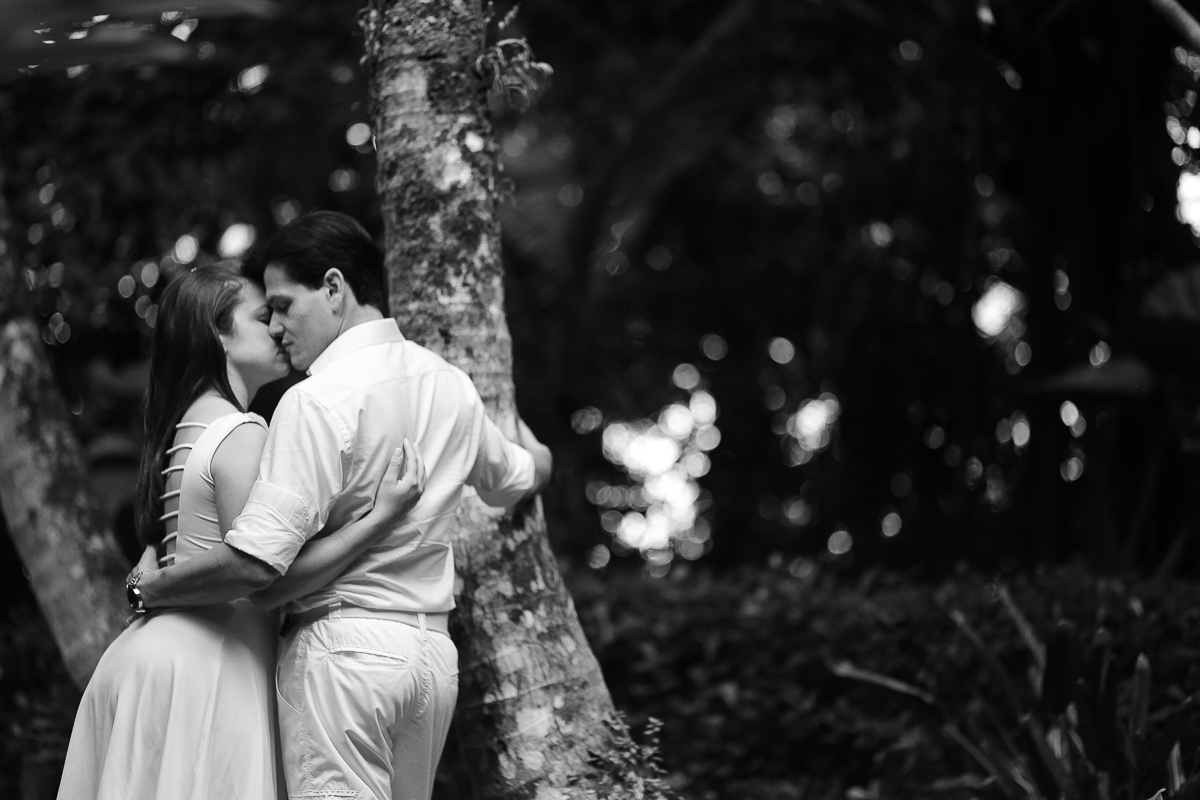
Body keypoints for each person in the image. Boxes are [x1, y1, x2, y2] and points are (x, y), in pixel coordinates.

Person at [134, 210, 553, 800]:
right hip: (432, 660)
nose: (277, 326)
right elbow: (513, 477)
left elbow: (261, 571)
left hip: (344, 655)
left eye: (282, 305)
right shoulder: (451, 385)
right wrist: (542, 457)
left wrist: (151, 588)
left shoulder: (315, 401)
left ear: (334, 288)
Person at [57, 265, 426, 800]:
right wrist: (381, 519)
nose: (277, 328)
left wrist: (145, 590)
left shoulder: (185, 425)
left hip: (150, 659)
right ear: (219, 333)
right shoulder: (241, 430)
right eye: (261, 316)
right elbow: (260, 572)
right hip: (209, 669)